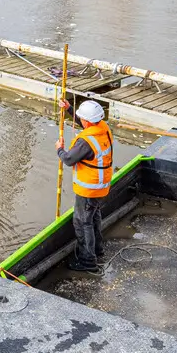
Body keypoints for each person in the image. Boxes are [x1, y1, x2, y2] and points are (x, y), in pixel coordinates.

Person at [55, 98, 114, 273]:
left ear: (87, 121)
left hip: (88, 188)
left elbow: (68, 159)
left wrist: (59, 148)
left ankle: (88, 261)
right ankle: (98, 250)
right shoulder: (103, 128)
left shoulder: (85, 142)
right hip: (101, 186)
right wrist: (69, 109)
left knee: (82, 222)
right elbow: (87, 125)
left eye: (81, 117)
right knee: (94, 217)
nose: (80, 120)